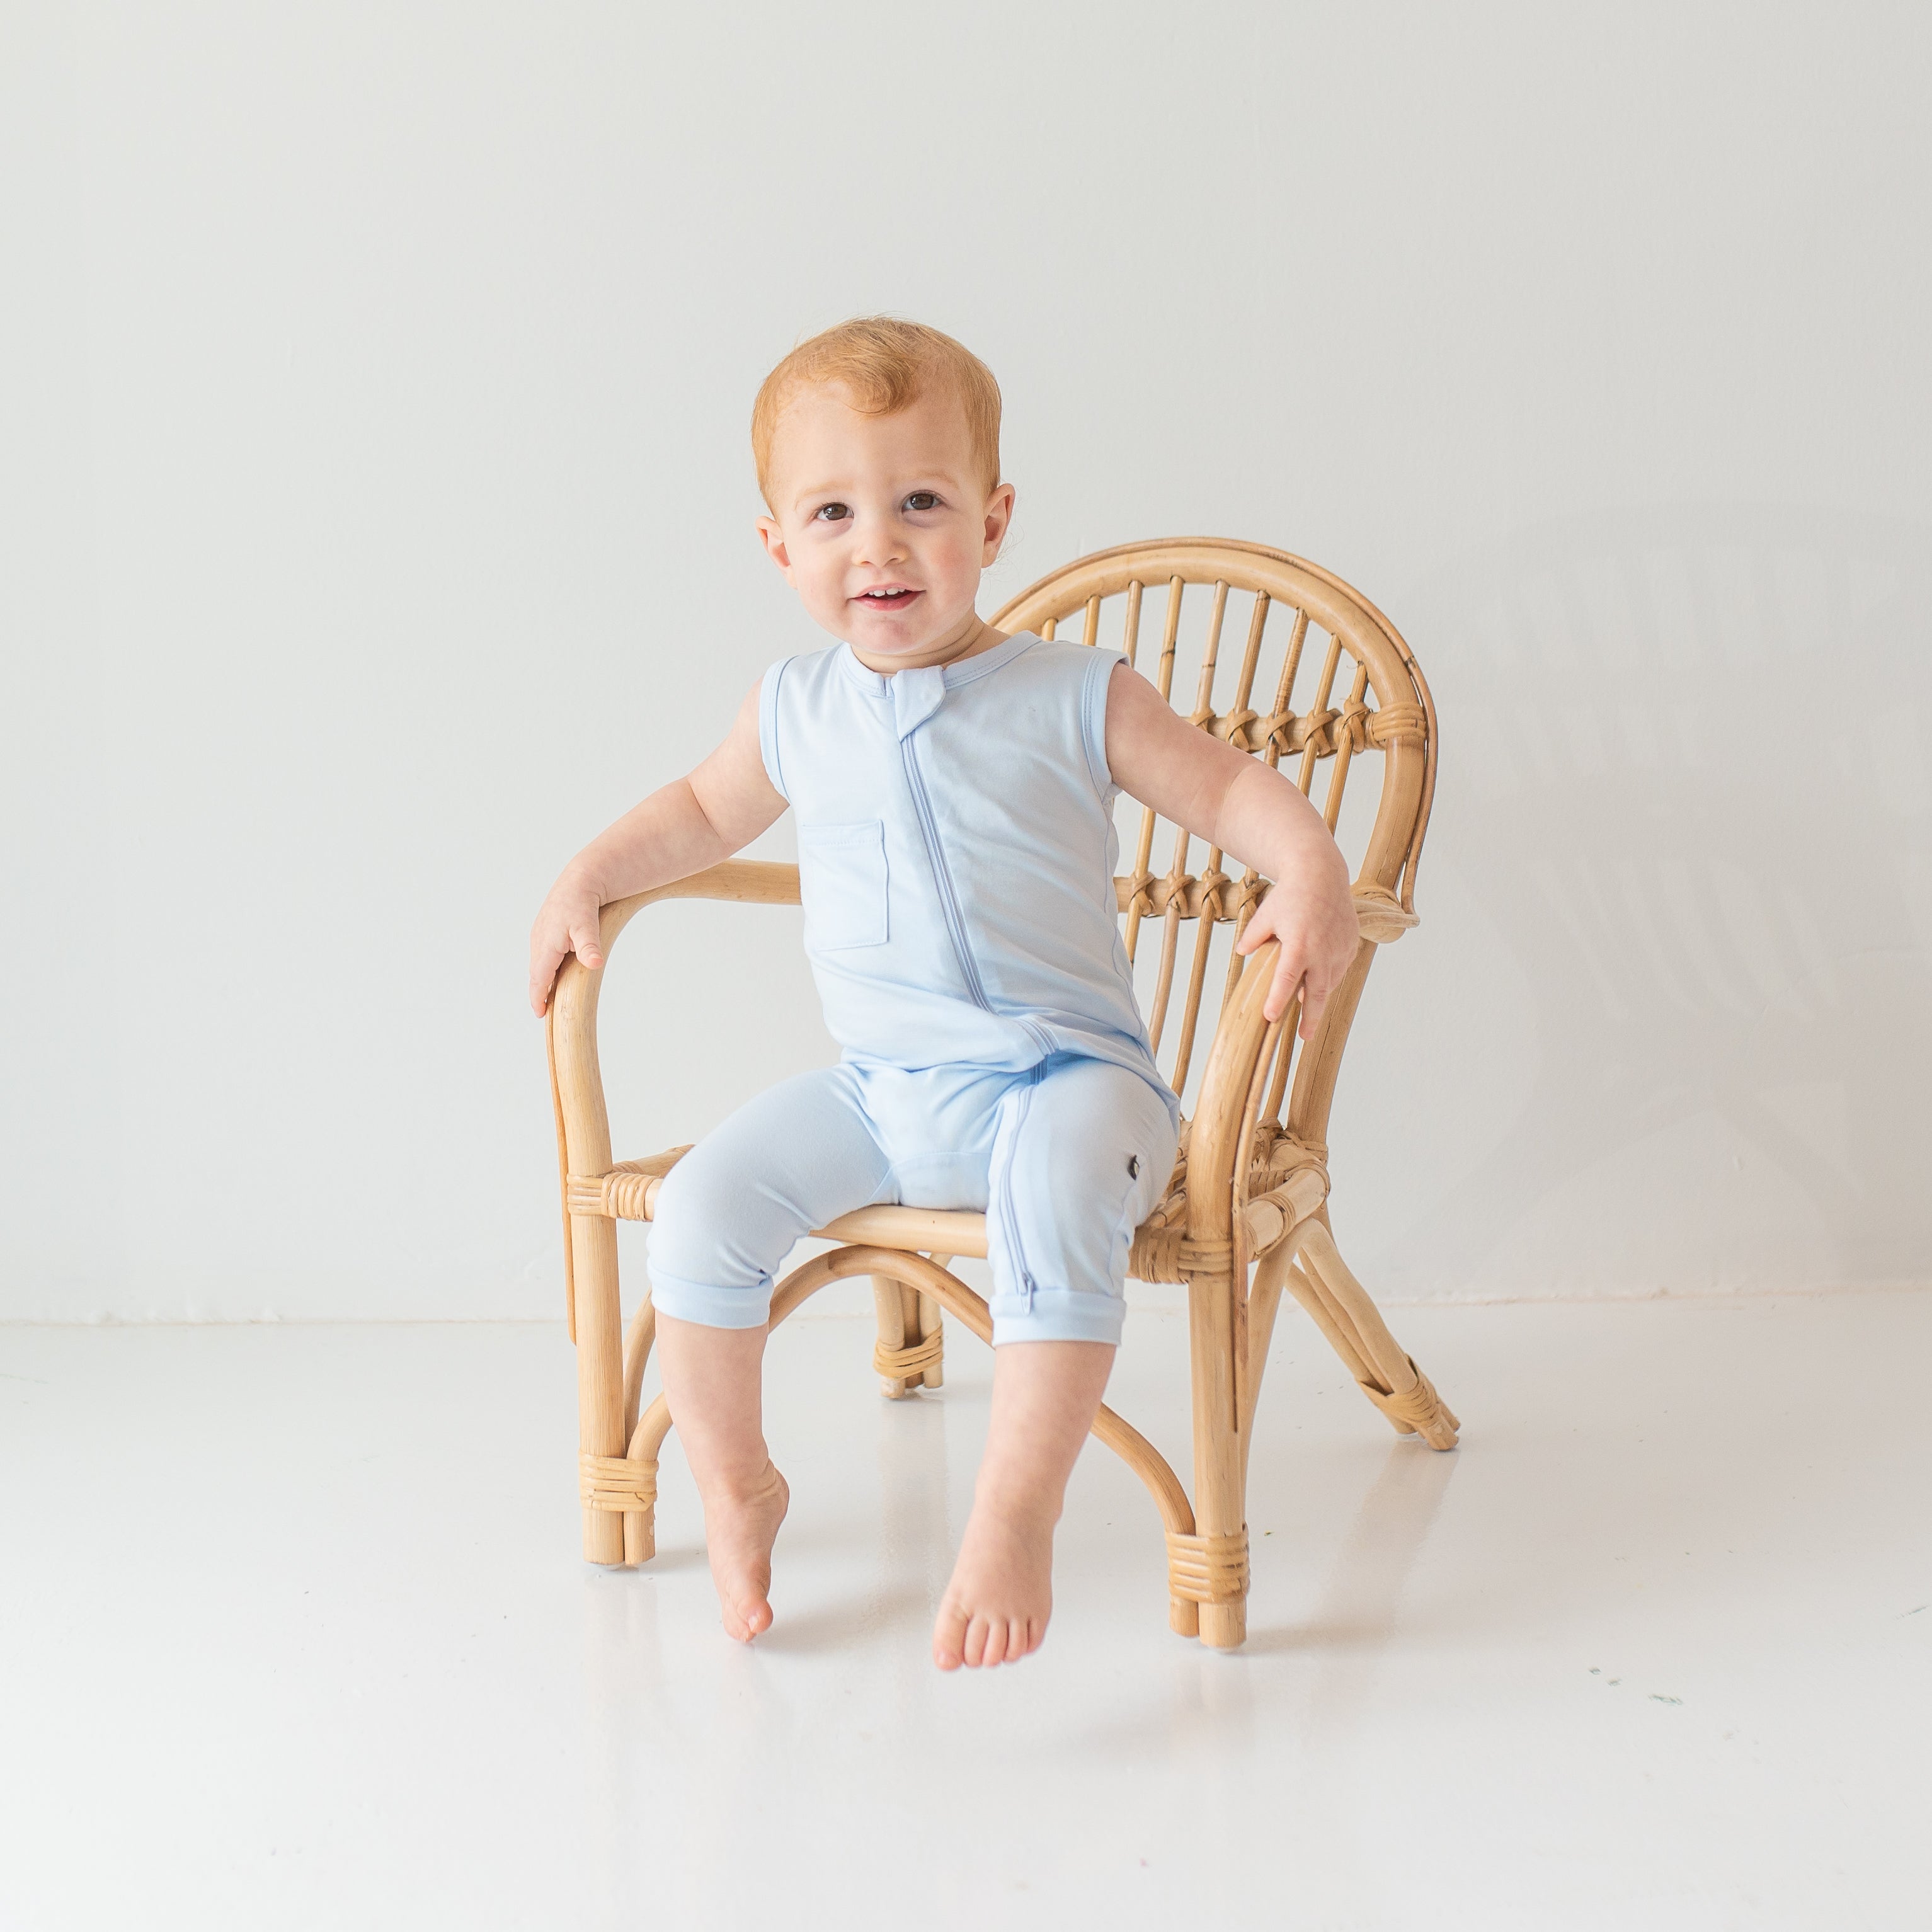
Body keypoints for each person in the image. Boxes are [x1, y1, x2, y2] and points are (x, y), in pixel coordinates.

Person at [529, 317, 1359, 1669]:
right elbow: (696, 810)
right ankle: (736, 1477)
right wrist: (588, 872)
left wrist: (1308, 866)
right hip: (883, 1094)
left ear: (994, 517)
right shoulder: (794, 708)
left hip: (1072, 1085)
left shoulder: (1073, 691)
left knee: (1054, 1185)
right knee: (703, 1205)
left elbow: (1227, 790)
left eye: (922, 502)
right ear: (778, 548)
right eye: (833, 513)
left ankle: (1012, 1513)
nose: (880, 545)